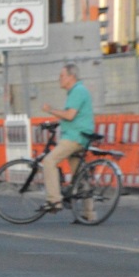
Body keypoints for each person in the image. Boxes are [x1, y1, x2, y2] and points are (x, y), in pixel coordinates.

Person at [40, 61, 94, 219]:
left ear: (71, 77)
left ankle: (54, 201)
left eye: (62, 75)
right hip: (79, 136)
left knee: (49, 161)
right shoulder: (77, 91)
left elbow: (70, 115)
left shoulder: (78, 91)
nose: (59, 78)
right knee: (80, 177)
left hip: (74, 137)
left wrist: (51, 110)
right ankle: (89, 214)